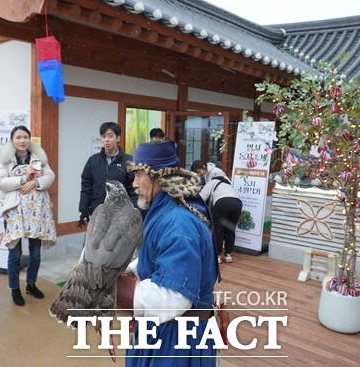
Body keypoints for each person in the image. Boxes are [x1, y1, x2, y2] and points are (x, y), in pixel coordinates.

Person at [124, 141, 218, 366]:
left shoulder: (178, 223)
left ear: (158, 177)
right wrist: (131, 267)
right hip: (161, 332)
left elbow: (174, 298)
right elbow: (162, 253)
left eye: (139, 175)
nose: (134, 184)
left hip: (177, 340)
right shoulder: (164, 211)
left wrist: (115, 289)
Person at [0, 126, 57, 306]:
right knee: (15, 253)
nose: (22, 140)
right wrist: (23, 180)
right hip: (14, 210)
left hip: (37, 211)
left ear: (30, 139)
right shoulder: (4, 159)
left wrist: (35, 182)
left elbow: (50, 176)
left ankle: (31, 284)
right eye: (18, 137)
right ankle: (14, 288)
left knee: (35, 253)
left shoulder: (38, 157)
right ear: (12, 140)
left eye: (25, 137)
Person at [79, 122, 137, 226]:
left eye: (110, 136)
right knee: (96, 242)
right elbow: (86, 186)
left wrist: (133, 211)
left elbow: (133, 190)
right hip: (97, 211)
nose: (106, 140)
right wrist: (83, 210)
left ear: (118, 138)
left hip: (120, 214)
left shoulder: (128, 161)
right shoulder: (93, 161)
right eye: (103, 136)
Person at [197, 170, 242, 264]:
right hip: (237, 203)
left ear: (213, 177)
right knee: (230, 229)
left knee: (218, 229)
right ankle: (228, 255)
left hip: (222, 203)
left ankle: (217, 255)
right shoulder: (228, 184)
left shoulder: (212, 182)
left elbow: (202, 197)